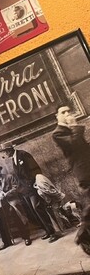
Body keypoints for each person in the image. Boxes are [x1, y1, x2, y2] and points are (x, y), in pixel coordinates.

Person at [52, 104, 90, 255]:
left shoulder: (71, 130)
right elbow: (75, 145)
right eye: (63, 112)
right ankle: (82, 233)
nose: (67, 114)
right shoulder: (57, 133)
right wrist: (74, 126)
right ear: (57, 116)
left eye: (69, 111)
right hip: (83, 172)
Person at [1, 144, 59, 242]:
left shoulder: (23, 154)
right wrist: (21, 188)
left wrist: (32, 183)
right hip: (25, 190)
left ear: (9, 150)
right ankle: (47, 231)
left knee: (38, 208)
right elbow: (19, 176)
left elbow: (36, 169)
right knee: (33, 211)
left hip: (33, 186)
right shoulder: (14, 159)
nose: (5, 154)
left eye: (5, 151)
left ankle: (53, 232)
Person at [0, 163, 32, 246]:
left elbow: (16, 188)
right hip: (2, 203)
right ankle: (6, 242)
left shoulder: (9, 177)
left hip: (12, 200)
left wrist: (6, 194)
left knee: (15, 212)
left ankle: (26, 237)